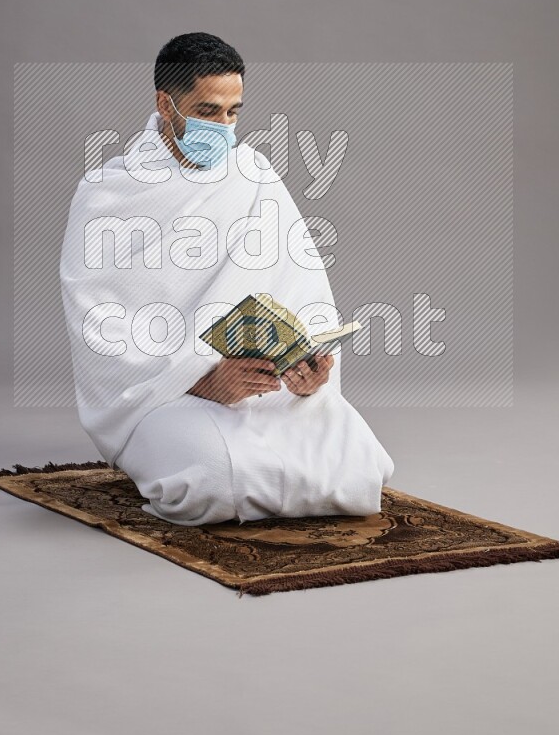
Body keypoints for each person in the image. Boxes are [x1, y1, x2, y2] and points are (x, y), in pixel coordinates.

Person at [59, 32, 395, 526]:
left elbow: (302, 288)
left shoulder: (254, 176)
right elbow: (100, 326)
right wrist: (200, 378)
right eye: (208, 111)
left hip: (266, 385)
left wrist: (310, 369)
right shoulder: (107, 195)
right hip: (167, 396)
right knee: (211, 483)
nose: (225, 128)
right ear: (165, 103)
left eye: (234, 111)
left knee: (361, 469)